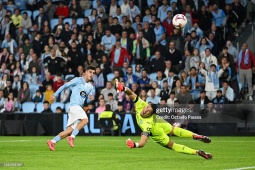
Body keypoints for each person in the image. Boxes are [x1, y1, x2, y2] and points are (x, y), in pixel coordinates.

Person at [115, 79, 213, 159]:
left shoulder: (147, 125)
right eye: (147, 108)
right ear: (147, 105)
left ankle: (196, 151)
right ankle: (196, 137)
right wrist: (123, 88)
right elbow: (131, 93)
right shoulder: (142, 104)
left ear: (151, 114)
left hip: (156, 130)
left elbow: (142, 142)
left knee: (173, 145)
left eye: (149, 111)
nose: (146, 111)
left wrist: (135, 145)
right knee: (174, 130)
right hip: (158, 121)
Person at [47, 66, 96, 151]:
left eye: (93, 73)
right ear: (86, 72)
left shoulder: (90, 87)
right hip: (74, 106)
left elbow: (86, 101)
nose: (92, 74)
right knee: (85, 120)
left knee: (69, 131)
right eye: (90, 72)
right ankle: (72, 137)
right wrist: (55, 95)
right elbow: (65, 86)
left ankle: (52, 141)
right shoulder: (78, 80)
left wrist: (90, 100)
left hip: (78, 108)